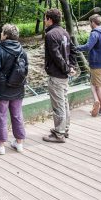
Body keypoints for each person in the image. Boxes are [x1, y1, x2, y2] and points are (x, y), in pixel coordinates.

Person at [0, 24, 28, 155]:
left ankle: (0, 145)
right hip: (17, 87)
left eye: (2, 32)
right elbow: (25, 69)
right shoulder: (22, 50)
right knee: (17, 114)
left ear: (5, 35)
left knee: (1, 115)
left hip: (1, 89)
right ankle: (19, 142)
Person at [43, 8, 77, 143]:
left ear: (50, 20)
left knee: (58, 105)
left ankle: (59, 134)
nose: (44, 21)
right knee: (64, 102)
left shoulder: (50, 35)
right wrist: (72, 67)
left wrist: (67, 69)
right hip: (63, 76)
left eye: (45, 19)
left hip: (57, 75)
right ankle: (64, 129)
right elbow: (73, 51)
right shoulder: (64, 32)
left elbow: (56, 56)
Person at [76, 14, 101, 117]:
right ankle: (97, 101)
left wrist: (76, 48)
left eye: (89, 23)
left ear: (92, 22)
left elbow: (88, 47)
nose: (89, 24)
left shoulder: (95, 33)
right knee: (95, 83)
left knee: (100, 86)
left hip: (98, 65)